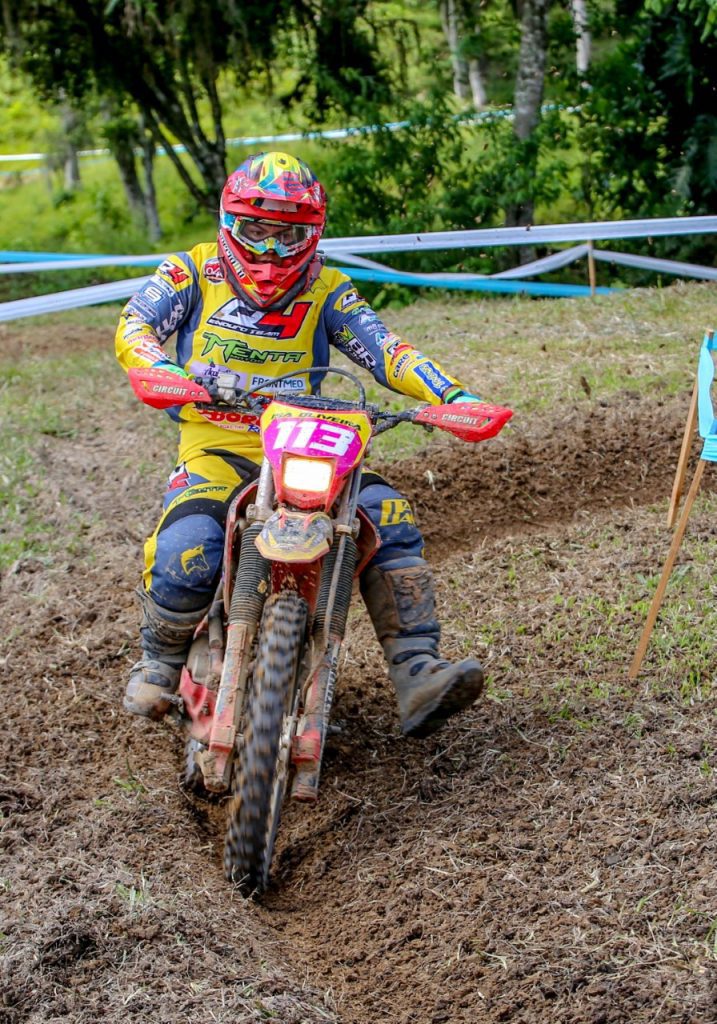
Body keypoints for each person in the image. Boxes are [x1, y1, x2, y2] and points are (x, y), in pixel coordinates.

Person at [116, 150, 485, 739]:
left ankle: (417, 669)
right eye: (256, 230)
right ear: (229, 222)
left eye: (287, 235)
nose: (269, 249)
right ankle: (158, 661)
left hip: (310, 443)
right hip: (217, 446)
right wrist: (157, 368)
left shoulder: (328, 288)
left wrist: (451, 396)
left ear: (311, 234)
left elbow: (386, 350)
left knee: (389, 514)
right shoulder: (190, 272)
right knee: (188, 545)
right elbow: (135, 325)